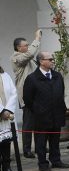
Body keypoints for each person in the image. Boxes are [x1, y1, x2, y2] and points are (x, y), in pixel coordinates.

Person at [23, 52, 69, 171]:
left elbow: (61, 92)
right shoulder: (32, 78)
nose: (53, 61)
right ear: (41, 61)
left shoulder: (57, 76)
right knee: (41, 142)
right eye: (50, 59)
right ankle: (43, 163)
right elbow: (27, 99)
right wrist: (38, 110)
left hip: (56, 114)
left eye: (53, 59)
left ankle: (56, 160)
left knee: (55, 140)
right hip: (41, 117)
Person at [11, 29, 41, 159]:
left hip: (37, 94)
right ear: (18, 47)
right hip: (26, 95)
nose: (28, 47)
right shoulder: (16, 57)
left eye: (29, 45)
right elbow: (29, 54)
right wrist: (37, 39)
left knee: (39, 122)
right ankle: (27, 149)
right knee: (28, 123)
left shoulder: (28, 58)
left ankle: (40, 146)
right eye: (26, 45)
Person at [0, 66, 18, 171]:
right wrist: (1, 111)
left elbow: (13, 93)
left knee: (6, 142)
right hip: (1, 113)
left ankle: (7, 168)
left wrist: (7, 110)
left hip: (7, 115)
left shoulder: (5, 76)